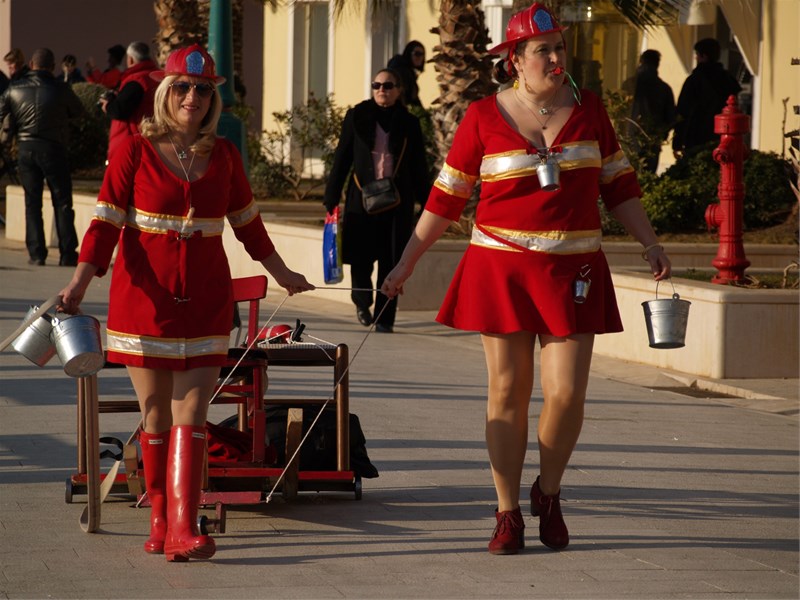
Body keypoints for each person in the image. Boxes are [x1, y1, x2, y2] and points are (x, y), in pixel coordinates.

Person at [381, 3, 671, 555]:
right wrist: (406, 263)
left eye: (560, 47)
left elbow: (619, 185)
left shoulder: (590, 110)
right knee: (508, 392)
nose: (557, 58)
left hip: (575, 269)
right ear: (515, 59)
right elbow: (446, 198)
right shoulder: (482, 117)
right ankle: (507, 511)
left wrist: (650, 242)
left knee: (567, 395)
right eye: (544, 50)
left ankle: (550, 492)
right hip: (502, 267)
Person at [56, 44, 314, 562]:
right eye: (181, 87)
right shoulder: (133, 150)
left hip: (206, 302)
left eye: (202, 89)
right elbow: (105, 224)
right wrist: (80, 282)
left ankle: (182, 525)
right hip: (143, 301)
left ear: (212, 98)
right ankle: (158, 521)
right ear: (163, 93)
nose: (192, 96)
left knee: (192, 410)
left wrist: (283, 273)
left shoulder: (225, 155)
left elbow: (248, 225)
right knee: (154, 412)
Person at [323, 68, 431, 333]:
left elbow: (419, 165)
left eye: (388, 85)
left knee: (391, 260)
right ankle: (362, 302)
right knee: (360, 259)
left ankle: (384, 318)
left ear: (399, 90)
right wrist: (331, 197)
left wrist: (426, 203)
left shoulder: (409, 122)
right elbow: (342, 158)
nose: (382, 90)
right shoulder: (357, 116)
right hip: (362, 199)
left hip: (397, 201)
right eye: (377, 85)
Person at [0, 47, 84, 266]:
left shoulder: (15, 88)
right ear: (53, 67)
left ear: (31, 64)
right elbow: (78, 111)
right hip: (54, 148)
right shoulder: (61, 89)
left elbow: (2, 112)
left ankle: (37, 253)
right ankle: (67, 253)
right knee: (63, 202)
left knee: (32, 202)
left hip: (26, 149)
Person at [673, 38, 741, 157]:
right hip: (722, 137)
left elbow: (683, 111)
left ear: (704, 56)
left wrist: (677, 142)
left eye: (697, 55)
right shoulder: (728, 79)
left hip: (696, 136)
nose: (696, 58)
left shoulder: (694, 80)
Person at [99, 41, 158, 161]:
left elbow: (120, 110)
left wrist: (107, 106)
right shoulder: (156, 77)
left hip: (131, 142)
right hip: (153, 138)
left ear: (130, 59)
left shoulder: (136, 80)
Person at [625, 50, 675, 173]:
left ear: (641, 62)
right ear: (657, 64)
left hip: (629, 138)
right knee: (648, 175)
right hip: (652, 140)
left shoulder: (630, 85)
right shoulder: (664, 88)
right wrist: (661, 135)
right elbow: (671, 118)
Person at [388, 41, 426, 107]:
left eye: (422, 54)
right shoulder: (401, 71)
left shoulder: (408, 71)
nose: (420, 57)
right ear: (409, 54)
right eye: (417, 54)